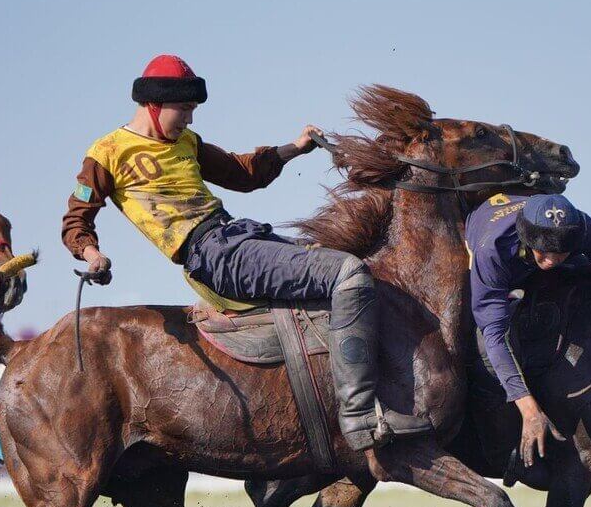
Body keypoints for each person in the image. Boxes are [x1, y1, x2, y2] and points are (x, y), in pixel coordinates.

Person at [62, 54, 432, 451]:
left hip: (239, 235)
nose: (189, 120)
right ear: (154, 105)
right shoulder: (107, 152)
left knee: (348, 271)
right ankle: (359, 416)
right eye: (184, 110)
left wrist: (294, 148)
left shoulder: (187, 142)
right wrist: (91, 254)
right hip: (212, 256)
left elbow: (243, 173)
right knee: (348, 273)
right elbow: (76, 219)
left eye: (192, 110)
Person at [466, 192, 591, 465]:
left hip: (535, 259)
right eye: (544, 252)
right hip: (497, 271)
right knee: (486, 354)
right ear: (527, 238)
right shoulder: (493, 249)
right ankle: (500, 449)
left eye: (560, 253)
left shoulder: (579, 228)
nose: (551, 260)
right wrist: (528, 409)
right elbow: (494, 334)